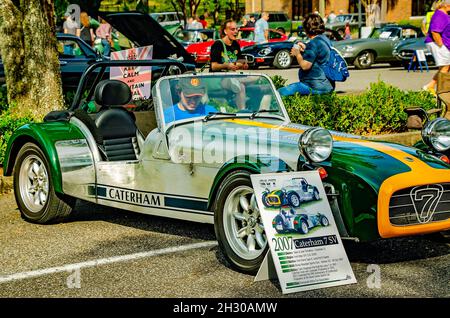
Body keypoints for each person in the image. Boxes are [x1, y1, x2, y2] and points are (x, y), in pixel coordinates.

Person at [278, 13, 334, 97]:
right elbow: (319, 55)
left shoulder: (314, 43)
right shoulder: (324, 39)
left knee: (279, 93)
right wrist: (305, 48)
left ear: (307, 28)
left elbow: (305, 66)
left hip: (315, 85)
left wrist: (297, 54)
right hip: (327, 84)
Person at [423, 0, 450, 95]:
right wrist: (441, 45)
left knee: (445, 66)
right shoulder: (440, 15)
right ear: (447, 6)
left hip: (441, 44)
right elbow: (435, 32)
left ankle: (430, 86)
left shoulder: (444, 15)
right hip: (436, 44)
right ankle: (441, 90)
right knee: (446, 66)